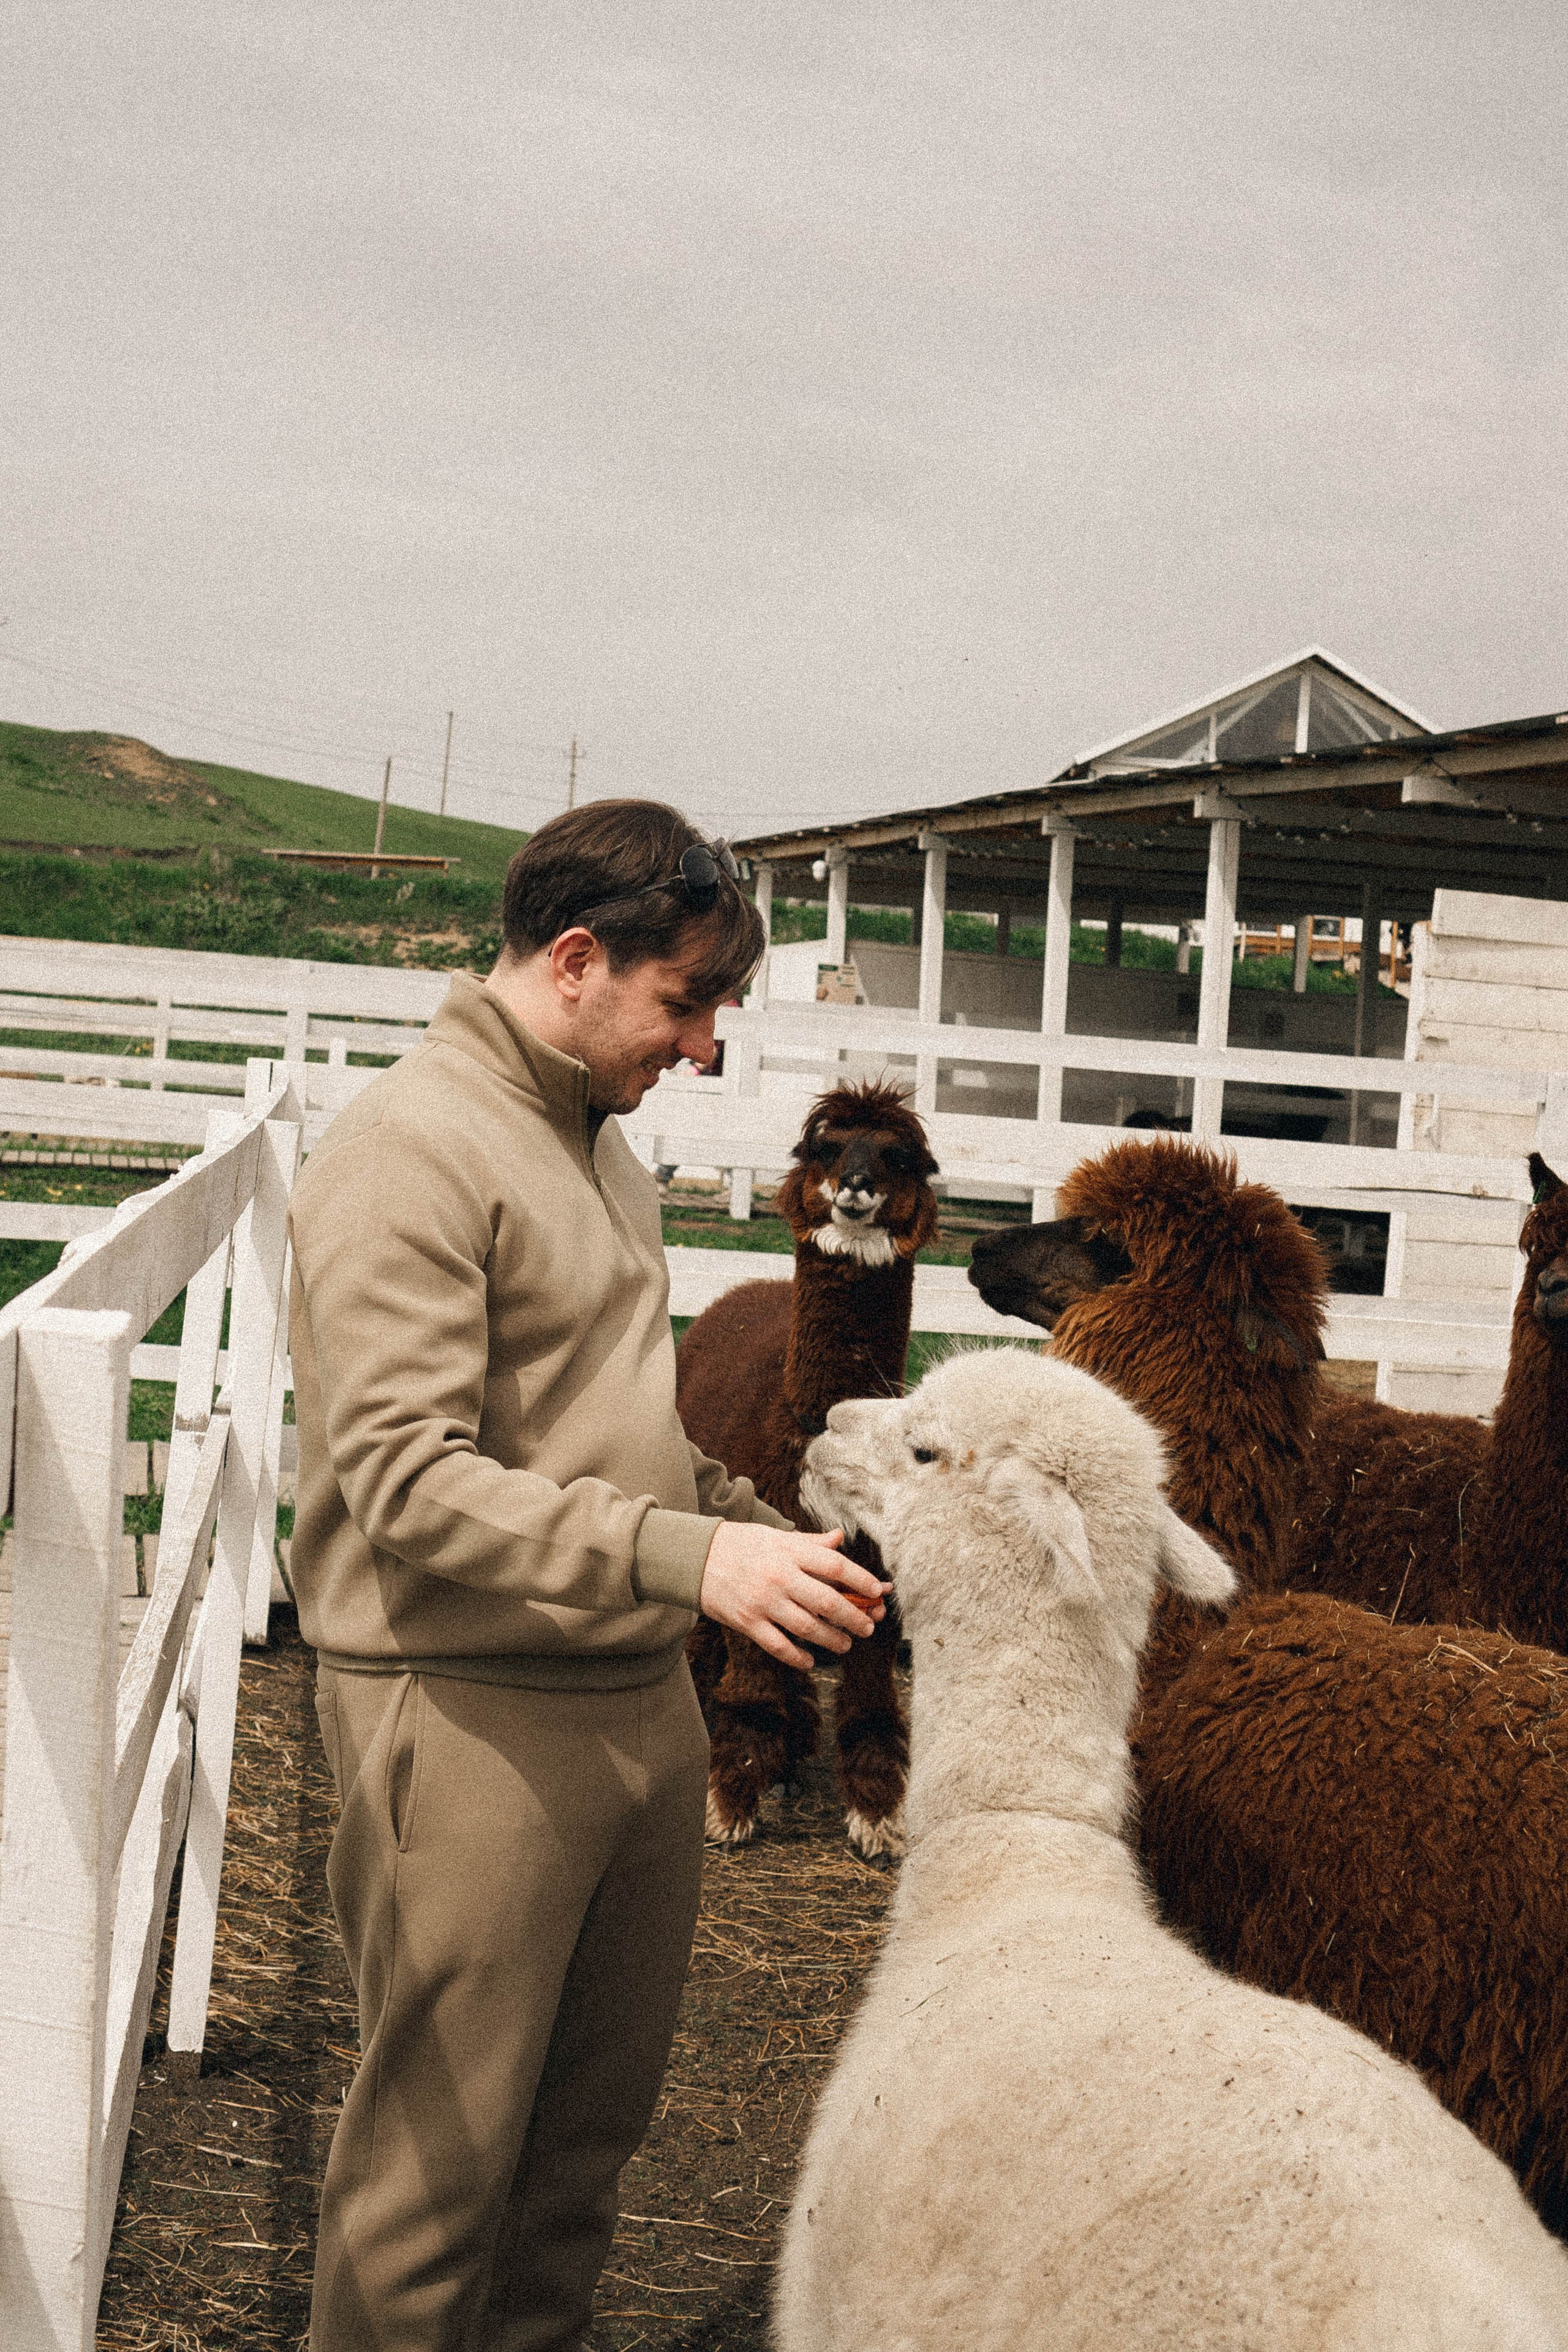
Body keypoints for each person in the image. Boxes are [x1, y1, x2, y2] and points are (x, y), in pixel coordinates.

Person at [287, 800, 887, 2352]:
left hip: (630, 1702)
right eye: (684, 1001)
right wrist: (700, 1558)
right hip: (470, 1709)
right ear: (573, 961)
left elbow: (617, 1432)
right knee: (431, 2192)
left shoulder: (602, 1160)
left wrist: (763, 1526)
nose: (703, 1047)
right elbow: (407, 1480)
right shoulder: (407, 1150)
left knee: (573, 2175)